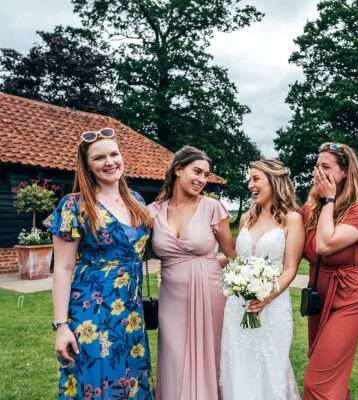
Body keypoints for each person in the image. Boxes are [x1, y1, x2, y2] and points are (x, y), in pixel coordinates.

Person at [46, 127, 154, 399]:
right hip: (91, 311)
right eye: (99, 158)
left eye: (114, 154)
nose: (110, 162)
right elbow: (62, 268)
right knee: (94, 380)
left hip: (130, 312)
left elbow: (141, 250)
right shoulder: (73, 205)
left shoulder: (137, 201)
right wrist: (61, 327)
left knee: (130, 381)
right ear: (87, 166)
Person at [148, 146, 236, 400]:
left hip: (209, 292)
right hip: (171, 295)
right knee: (173, 354)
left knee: (211, 352)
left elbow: (231, 253)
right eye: (197, 171)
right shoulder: (153, 212)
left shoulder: (212, 207)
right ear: (178, 169)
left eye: (206, 175)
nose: (202, 179)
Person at [220, 159, 304, 400]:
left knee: (271, 366)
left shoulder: (292, 219)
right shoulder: (247, 218)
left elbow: (290, 268)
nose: (250, 185)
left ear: (274, 181)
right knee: (238, 363)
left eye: (256, 179)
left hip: (273, 307)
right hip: (238, 306)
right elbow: (239, 259)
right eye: (250, 179)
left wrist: (268, 297)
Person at [302, 143, 358, 400]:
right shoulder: (310, 209)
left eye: (326, 167)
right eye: (316, 167)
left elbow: (324, 244)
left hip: (348, 300)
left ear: (345, 172)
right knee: (331, 380)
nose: (318, 173)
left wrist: (329, 201)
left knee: (317, 383)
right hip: (319, 299)